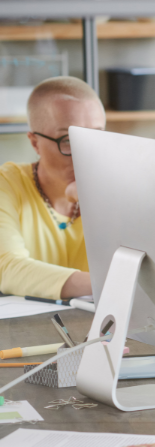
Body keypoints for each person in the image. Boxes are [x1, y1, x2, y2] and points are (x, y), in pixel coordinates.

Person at [0, 76, 105, 300]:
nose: (85, 154)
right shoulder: (7, 184)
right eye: (67, 139)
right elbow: (7, 268)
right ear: (34, 142)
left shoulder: (120, 186)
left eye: (96, 135)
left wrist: (96, 197)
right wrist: (108, 284)